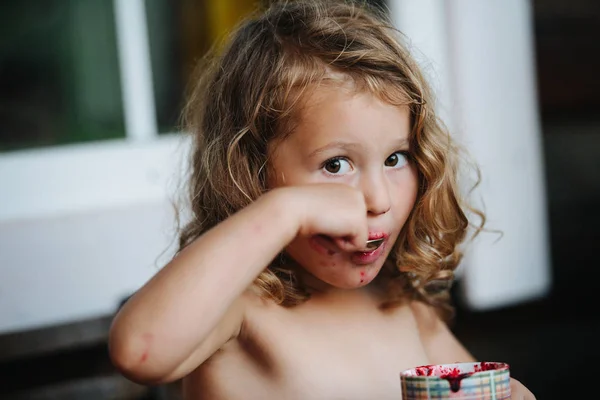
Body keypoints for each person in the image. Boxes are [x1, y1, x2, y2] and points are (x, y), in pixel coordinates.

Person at [109, 1, 536, 398]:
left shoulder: (402, 306)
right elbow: (139, 351)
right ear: (252, 172)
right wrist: (286, 210)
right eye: (336, 165)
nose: (377, 199)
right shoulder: (240, 310)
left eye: (395, 157)